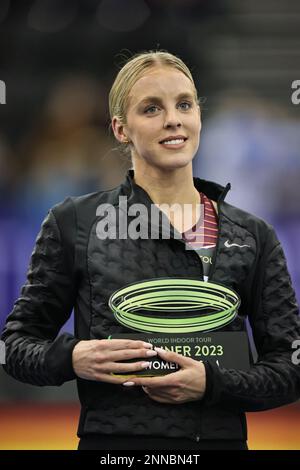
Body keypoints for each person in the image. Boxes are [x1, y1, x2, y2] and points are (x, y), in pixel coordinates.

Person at [1, 50, 300, 451]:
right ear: (121, 130)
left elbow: (290, 367)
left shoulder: (252, 234)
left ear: (198, 116)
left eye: (184, 104)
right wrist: (71, 358)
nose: (173, 119)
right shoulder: (75, 222)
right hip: (113, 451)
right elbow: (14, 345)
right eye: (151, 108)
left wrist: (213, 383)